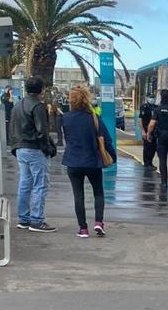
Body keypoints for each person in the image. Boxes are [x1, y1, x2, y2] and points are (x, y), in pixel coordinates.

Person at [61, 86, 116, 238]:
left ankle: (83, 229)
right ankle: (99, 222)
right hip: (92, 161)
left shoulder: (65, 118)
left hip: (73, 162)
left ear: (71, 100)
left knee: (78, 195)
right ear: (86, 99)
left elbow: (68, 138)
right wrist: (112, 156)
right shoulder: (94, 118)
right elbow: (107, 139)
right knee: (98, 192)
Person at [9, 76, 57, 233]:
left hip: (20, 148)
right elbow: (42, 130)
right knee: (40, 184)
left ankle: (24, 219)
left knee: (24, 184)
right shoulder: (38, 106)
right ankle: (37, 220)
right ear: (41, 90)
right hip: (35, 149)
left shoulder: (17, 105)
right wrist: (47, 148)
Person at [146, 89, 168, 187]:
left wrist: (149, 134)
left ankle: (164, 182)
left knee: (162, 159)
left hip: (162, 136)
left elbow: (151, 124)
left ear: (161, 97)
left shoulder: (158, 109)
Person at [139, 94, 157, 170]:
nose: (152, 99)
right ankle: (146, 163)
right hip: (146, 130)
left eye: (153, 98)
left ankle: (150, 162)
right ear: (147, 98)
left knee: (153, 147)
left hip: (154, 130)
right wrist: (143, 131)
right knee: (147, 147)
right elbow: (140, 120)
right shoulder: (144, 107)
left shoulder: (156, 107)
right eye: (150, 98)